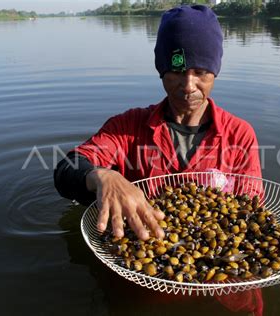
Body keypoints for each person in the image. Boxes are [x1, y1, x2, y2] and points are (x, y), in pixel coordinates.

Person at [54, 5, 261, 242]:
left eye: (201, 72)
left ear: (215, 72)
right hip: (140, 251)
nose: (189, 85)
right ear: (162, 71)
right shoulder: (127, 128)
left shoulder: (239, 135)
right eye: (177, 70)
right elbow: (66, 170)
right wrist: (102, 176)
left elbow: (250, 211)